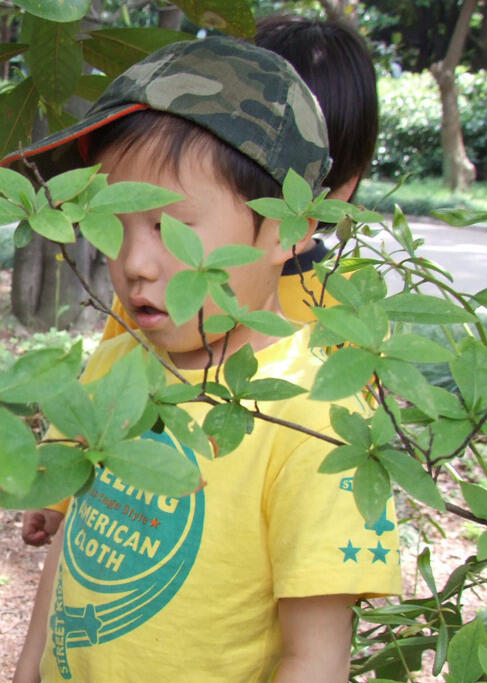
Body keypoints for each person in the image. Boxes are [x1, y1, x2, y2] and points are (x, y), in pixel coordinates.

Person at [0, 37, 402, 683]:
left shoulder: (314, 416)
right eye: (115, 222)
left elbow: (314, 659)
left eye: (172, 227)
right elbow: (76, 552)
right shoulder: (115, 365)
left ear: (289, 229)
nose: (137, 263)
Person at [22, 16, 382, 548]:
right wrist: (57, 488)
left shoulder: (345, 317)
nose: (138, 263)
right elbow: (101, 390)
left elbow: (346, 454)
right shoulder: (151, 301)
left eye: (173, 225)